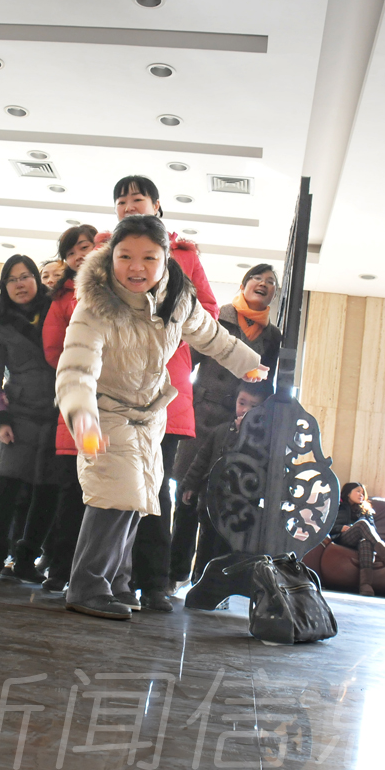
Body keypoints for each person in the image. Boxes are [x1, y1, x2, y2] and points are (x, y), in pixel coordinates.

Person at [56, 214, 267, 619]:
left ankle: (117, 583)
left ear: (165, 258)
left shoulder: (178, 297)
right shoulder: (95, 305)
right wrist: (82, 416)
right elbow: (75, 369)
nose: (136, 267)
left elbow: (212, 335)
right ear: (111, 256)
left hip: (151, 413)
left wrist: (249, 364)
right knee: (113, 496)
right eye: (125, 256)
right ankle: (86, 586)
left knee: (136, 500)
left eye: (149, 257)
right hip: (106, 410)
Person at [93, 175, 220, 612]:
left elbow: (208, 312)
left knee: (153, 486)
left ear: (157, 206)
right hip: (112, 386)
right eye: (122, 201)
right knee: (110, 485)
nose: (129, 206)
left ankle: (154, 583)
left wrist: (167, 340)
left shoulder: (183, 255)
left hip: (164, 388)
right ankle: (109, 581)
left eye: (137, 199)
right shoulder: (103, 253)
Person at [170, 263, 282, 587]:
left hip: (238, 424)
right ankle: (175, 573)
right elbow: (187, 360)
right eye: (257, 278)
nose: (263, 284)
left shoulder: (272, 336)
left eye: (270, 282)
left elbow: (266, 383)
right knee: (187, 495)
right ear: (244, 285)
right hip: (201, 414)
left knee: (222, 503)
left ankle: (208, 579)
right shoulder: (218, 316)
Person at [0, 255, 60, 580]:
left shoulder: (57, 308)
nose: (20, 284)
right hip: (19, 412)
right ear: (4, 285)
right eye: (12, 279)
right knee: (6, 483)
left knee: (48, 488)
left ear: (36, 280)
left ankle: (27, 559)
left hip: (59, 410)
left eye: (25, 276)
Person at [39, 224, 97, 592]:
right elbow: (53, 350)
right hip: (77, 404)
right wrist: (81, 371)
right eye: (71, 252)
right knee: (72, 493)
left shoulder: (118, 287)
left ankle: (99, 574)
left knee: (109, 496)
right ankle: (61, 569)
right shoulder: (62, 300)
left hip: (117, 406)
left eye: (84, 247)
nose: (78, 256)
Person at [176, 382, 271, 578]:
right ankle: (199, 581)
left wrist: (244, 435)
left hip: (240, 508)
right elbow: (201, 460)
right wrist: (190, 485)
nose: (245, 410)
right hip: (211, 501)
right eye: (242, 403)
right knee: (206, 543)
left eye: (253, 406)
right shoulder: (220, 431)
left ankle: (223, 584)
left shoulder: (262, 439)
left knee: (229, 549)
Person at [331, 482, 385, 596]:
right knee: (362, 523)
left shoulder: (366, 511)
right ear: (348, 493)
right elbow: (327, 526)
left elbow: (372, 530)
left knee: (366, 543)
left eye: (363, 493)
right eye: (358, 491)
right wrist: (340, 528)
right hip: (344, 538)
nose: (361, 495)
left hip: (361, 541)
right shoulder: (338, 507)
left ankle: (365, 585)